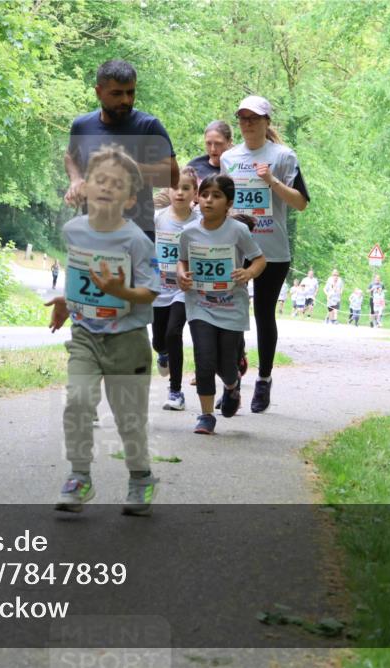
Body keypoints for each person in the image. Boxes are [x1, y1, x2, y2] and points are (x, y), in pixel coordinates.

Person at [46, 145, 161, 516]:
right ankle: (79, 476)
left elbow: (151, 289)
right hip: (85, 335)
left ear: (130, 200)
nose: (107, 187)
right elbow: (80, 274)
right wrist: (67, 300)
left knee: (129, 418)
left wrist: (120, 292)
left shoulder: (136, 241)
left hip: (127, 339)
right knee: (78, 401)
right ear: (85, 186)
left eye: (117, 184)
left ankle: (140, 478)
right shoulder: (73, 229)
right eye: (100, 180)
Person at [219, 95, 309, 413]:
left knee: (263, 314)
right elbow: (223, 201)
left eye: (254, 118)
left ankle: (264, 379)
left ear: (267, 122)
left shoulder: (283, 156)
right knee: (230, 313)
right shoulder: (229, 158)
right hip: (236, 247)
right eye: (242, 118)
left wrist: (270, 181)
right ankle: (233, 377)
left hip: (272, 250)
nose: (247, 124)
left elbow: (300, 202)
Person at [177, 175, 266, 434]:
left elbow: (260, 260)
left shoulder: (238, 231)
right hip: (200, 304)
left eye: (216, 196)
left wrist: (248, 273)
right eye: (205, 195)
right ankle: (206, 416)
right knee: (204, 360)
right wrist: (182, 275)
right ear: (198, 198)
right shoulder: (189, 233)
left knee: (225, 363)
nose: (209, 200)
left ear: (229, 203)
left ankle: (231, 385)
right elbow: (182, 260)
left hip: (231, 306)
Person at [64, 60, 179, 241]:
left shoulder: (149, 127)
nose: (125, 100)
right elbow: (70, 156)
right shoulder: (82, 125)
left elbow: (173, 177)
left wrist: (125, 167)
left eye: (130, 92)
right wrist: (76, 179)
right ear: (99, 92)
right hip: (91, 230)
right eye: (117, 93)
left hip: (137, 233)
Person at [152, 166, 201, 411]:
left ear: (195, 193)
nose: (179, 193)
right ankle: (163, 353)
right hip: (158, 288)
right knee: (159, 340)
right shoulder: (158, 217)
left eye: (186, 188)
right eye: (175, 187)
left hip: (183, 289)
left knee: (174, 333)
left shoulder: (200, 222)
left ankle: (176, 392)